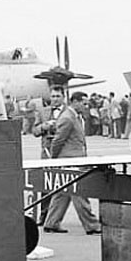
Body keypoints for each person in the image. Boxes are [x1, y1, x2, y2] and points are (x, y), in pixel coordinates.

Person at [42, 91, 102, 235]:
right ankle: (92, 225)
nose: (86, 106)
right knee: (79, 192)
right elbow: (58, 140)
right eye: (84, 103)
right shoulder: (68, 118)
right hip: (71, 160)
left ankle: (51, 223)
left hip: (74, 159)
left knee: (62, 193)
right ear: (75, 101)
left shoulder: (74, 117)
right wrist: (54, 159)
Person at [32, 87, 65, 224]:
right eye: (53, 96)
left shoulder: (69, 112)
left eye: (58, 96)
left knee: (64, 184)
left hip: (63, 152)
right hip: (47, 153)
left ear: (63, 97)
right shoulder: (43, 112)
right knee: (46, 184)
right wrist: (44, 127)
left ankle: (55, 218)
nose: (55, 99)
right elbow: (34, 131)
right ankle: (44, 215)